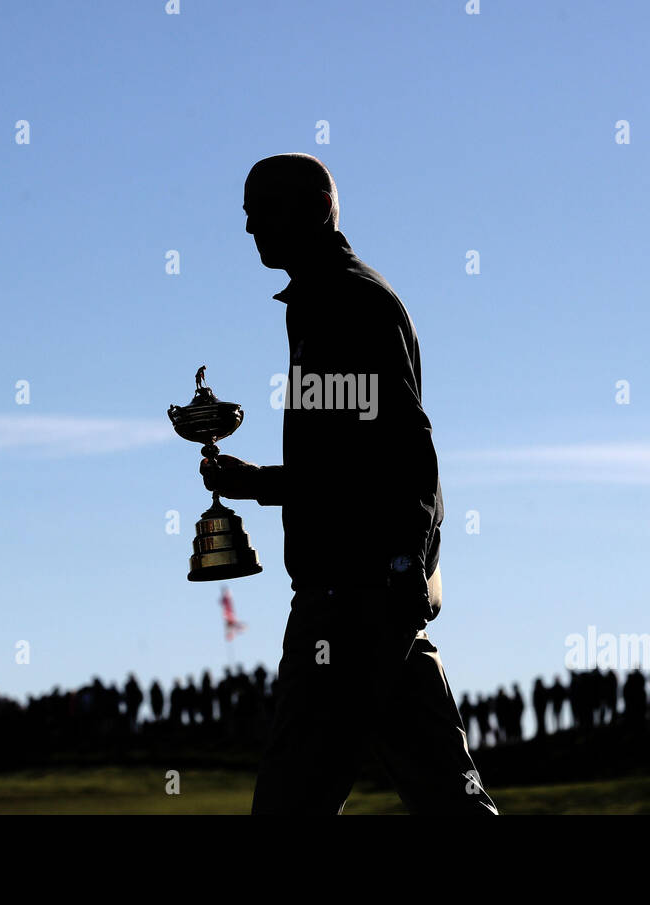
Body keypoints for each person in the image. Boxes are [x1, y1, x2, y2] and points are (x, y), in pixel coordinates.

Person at [200, 153, 496, 814]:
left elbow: (407, 450)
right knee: (447, 794)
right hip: (369, 593)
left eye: (263, 211)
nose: (250, 228)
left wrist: (402, 564)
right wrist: (256, 483)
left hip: (355, 594)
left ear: (315, 207)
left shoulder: (351, 302)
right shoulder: (316, 303)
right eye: (246, 217)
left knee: (290, 797)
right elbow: (343, 463)